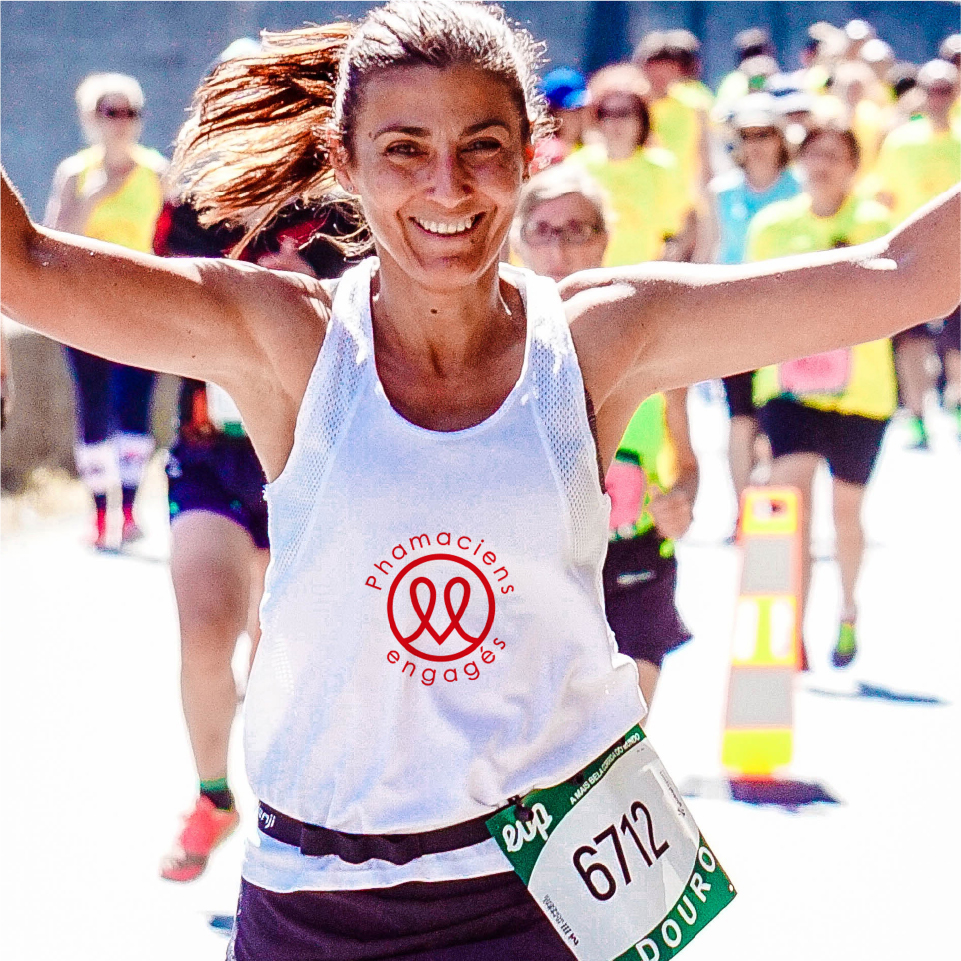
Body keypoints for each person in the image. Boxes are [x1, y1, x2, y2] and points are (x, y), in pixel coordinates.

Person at [2, 3, 958, 956]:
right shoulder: (287, 339)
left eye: (482, 145)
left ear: (534, 151)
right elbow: (26, 265)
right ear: (346, 165)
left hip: (543, 891)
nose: (447, 187)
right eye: (405, 149)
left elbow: (900, 270)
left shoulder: (600, 339)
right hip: (313, 896)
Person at [512, 165, 697, 708]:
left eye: (577, 229)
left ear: (604, 239)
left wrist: (683, 501)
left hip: (635, 557)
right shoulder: (488, 346)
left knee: (625, 729)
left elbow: (686, 464)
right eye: (544, 230)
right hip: (534, 567)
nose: (559, 247)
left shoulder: (648, 340)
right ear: (518, 241)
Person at [746, 122, 897, 670]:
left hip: (861, 392)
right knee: (793, 504)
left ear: (854, 167)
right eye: (813, 154)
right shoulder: (772, 226)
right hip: (790, 388)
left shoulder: (876, 223)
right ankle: (791, 632)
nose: (823, 166)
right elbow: (754, 301)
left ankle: (848, 611)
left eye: (835, 156)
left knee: (846, 512)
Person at [43, 72, 166, 548]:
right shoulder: (74, 173)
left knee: (134, 406)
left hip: (141, 306)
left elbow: (171, 239)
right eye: (109, 112)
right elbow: (52, 240)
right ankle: (98, 517)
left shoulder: (157, 171)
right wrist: (96, 193)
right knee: (93, 407)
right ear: (90, 118)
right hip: (83, 307)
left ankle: (130, 512)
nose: (119, 123)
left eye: (128, 112)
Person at [710, 95, 801, 514]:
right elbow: (709, 252)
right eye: (748, 135)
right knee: (739, 416)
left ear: (780, 139)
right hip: (733, 313)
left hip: (785, 314)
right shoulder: (721, 193)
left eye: (765, 134)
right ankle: (741, 510)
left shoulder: (797, 188)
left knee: (778, 416)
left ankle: (778, 511)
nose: (757, 143)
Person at [874, 59, 961, 446]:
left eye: (947, 89)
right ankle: (918, 414)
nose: (940, 97)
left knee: (957, 342)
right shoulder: (900, 142)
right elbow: (883, 195)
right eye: (933, 89)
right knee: (912, 343)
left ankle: (956, 404)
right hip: (910, 258)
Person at [567, 64, 695, 264]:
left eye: (625, 112)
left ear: (642, 118)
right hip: (590, 276)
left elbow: (675, 234)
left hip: (644, 279)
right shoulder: (577, 166)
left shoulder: (663, 167)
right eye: (607, 113)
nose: (616, 122)